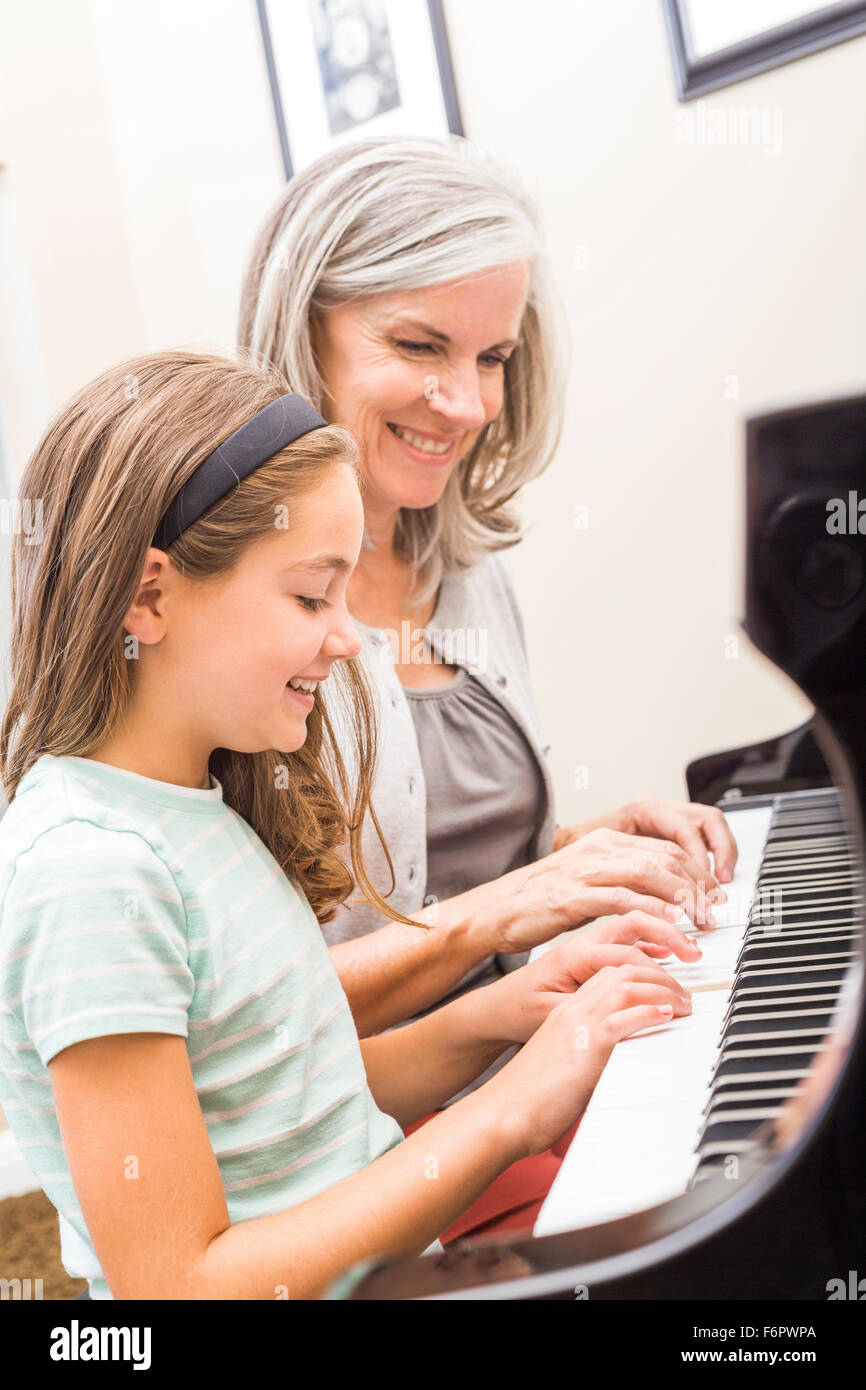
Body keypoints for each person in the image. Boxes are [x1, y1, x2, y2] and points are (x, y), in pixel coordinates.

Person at [0, 350, 694, 1299]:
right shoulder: (89, 869)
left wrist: (504, 1018)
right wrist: (504, 1118)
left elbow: (299, 1105)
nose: (347, 637)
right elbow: (180, 1286)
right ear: (149, 597)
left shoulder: (199, 808)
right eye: (309, 595)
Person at [237, 134, 737, 1236]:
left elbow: (469, 869)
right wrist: (508, 921)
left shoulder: (464, 570)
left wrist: (588, 854)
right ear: (302, 326)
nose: (463, 403)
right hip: (373, 1147)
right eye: (419, 344)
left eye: (493, 357)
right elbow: (251, 1024)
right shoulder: (241, 619)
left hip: (525, 1063)